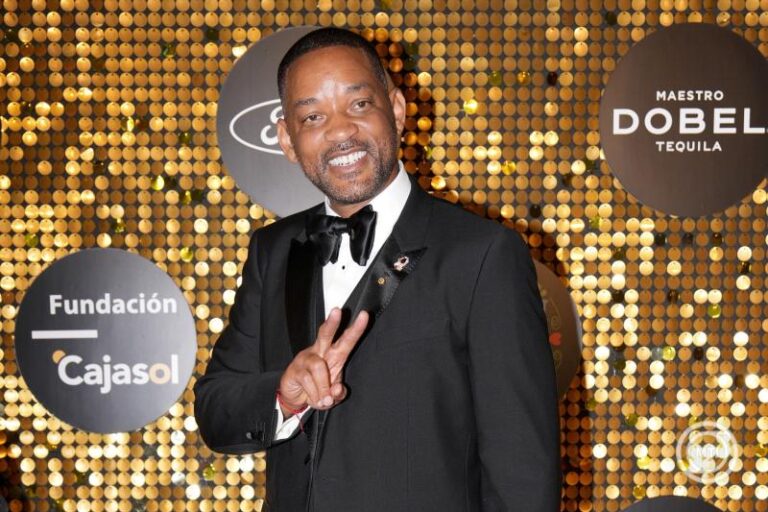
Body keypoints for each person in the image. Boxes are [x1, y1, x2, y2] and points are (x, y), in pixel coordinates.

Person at [193, 27, 561, 512]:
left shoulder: (483, 254)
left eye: (359, 104)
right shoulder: (273, 251)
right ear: (287, 139)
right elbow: (216, 409)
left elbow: (523, 475)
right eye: (313, 116)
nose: (340, 131)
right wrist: (283, 395)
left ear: (398, 109)